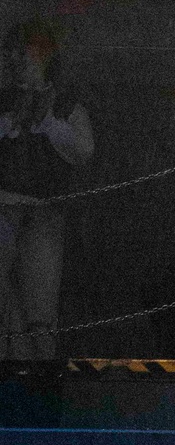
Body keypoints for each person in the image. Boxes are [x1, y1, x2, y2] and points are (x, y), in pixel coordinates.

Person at [0, 21, 93, 360]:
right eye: (12, 53)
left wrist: (50, 125)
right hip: (2, 211)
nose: (17, 59)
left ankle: (38, 377)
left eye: (24, 52)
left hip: (44, 214)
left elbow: (84, 150)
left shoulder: (66, 103)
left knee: (40, 310)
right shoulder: (4, 100)